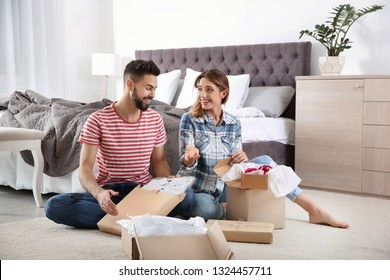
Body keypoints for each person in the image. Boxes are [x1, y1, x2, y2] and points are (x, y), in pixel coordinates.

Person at [177, 69, 349, 228]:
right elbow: (184, 169)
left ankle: (314, 210)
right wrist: (189, 159)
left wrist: (242, 158)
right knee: (205, 209)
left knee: (265, 162)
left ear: (223, 93)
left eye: (209, 90)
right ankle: (226, 210)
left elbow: (234, 166)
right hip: (201, 191)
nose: (202, 95)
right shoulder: (189, 119)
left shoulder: (234, 123)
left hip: (226, 188)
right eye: (200, 89)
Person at [45, 60, 194, 228]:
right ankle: (140, 217)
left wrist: (168, 182)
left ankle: (119, 219)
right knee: (54, 206)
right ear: (130, 84)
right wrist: (99, 194)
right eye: (148, 88)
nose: (152, 95)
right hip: (110, 192)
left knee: (188, 197)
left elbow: (159, 162)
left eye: (154, 89)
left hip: (143, 192)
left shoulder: (155, 119)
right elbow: (85, 168)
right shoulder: (97, 120)